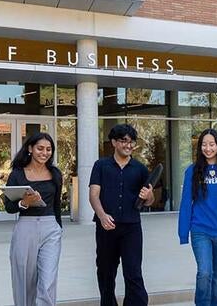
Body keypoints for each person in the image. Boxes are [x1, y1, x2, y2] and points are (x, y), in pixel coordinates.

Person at [89, 124, 154, 306]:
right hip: (106, 227)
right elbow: (93, 195)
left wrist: (149, 196)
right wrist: (102, 216)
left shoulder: (140, 169)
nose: (128, 145)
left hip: (131, 228)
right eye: (123, 141)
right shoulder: (100, 165)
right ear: (114, 142)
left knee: (133, 273)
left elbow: (149, 200)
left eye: (131, 141)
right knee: (105, 273)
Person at [178, 128, 217, 306]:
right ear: (200, 147)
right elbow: (185, 204)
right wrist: (183, 233)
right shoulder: (192, 171)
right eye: (204, 145)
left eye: (211, 144)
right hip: (200, 230)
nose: (208, 148)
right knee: (204, 272)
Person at [4, 133, 63, 306]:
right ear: (30, 149)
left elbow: (57, 204)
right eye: (40, 148)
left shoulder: (55, 174)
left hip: (50, 228)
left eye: (48, 149)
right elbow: (9, 207)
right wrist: (24, 202)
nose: (44, 153)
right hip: (25, 228)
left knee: (48, 281)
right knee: (24, 281)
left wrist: (58, 228)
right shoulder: (17, 175)